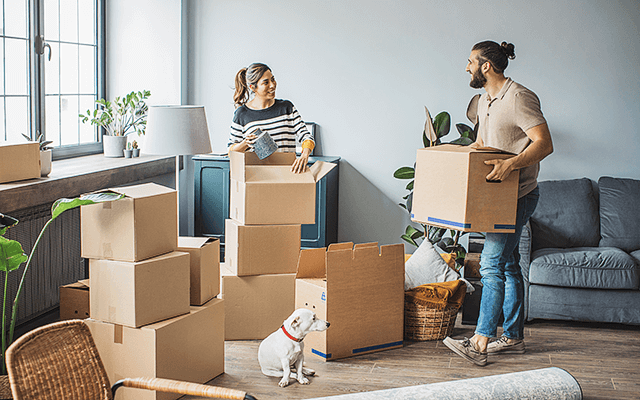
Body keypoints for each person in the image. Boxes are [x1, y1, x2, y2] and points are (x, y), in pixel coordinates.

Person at [442, 41, 554, 366]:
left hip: (518, 195)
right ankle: (514, 337)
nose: (466, 67)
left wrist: (511, 164)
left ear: (486, 66)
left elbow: (544, 143)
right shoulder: (484, 100)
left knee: (490, 265)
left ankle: (480, 341)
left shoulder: (519, 97)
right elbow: (485, 143)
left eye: (470, 62)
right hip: (495, 196)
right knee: (507, 265)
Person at [228, 63, 315, 173]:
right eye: (266, 82)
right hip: (257, 177)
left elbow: (307, 136)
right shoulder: (242, 114)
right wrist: (245, 143)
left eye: (273, 79)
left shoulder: (286, 108)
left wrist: (304, 155)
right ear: (252, 87)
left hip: (288, 174)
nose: (272, 85)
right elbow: (231, 152)